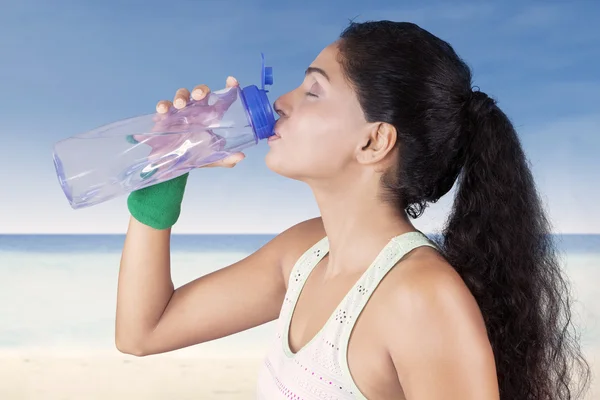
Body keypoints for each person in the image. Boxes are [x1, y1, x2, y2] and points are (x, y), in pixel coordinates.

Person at [115, 20, 591, 399]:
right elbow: (143, 331)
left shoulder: (421, 298)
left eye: (312, 92)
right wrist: (162, 177)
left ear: (374, 140)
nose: (281, 102)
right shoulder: (304, 254)